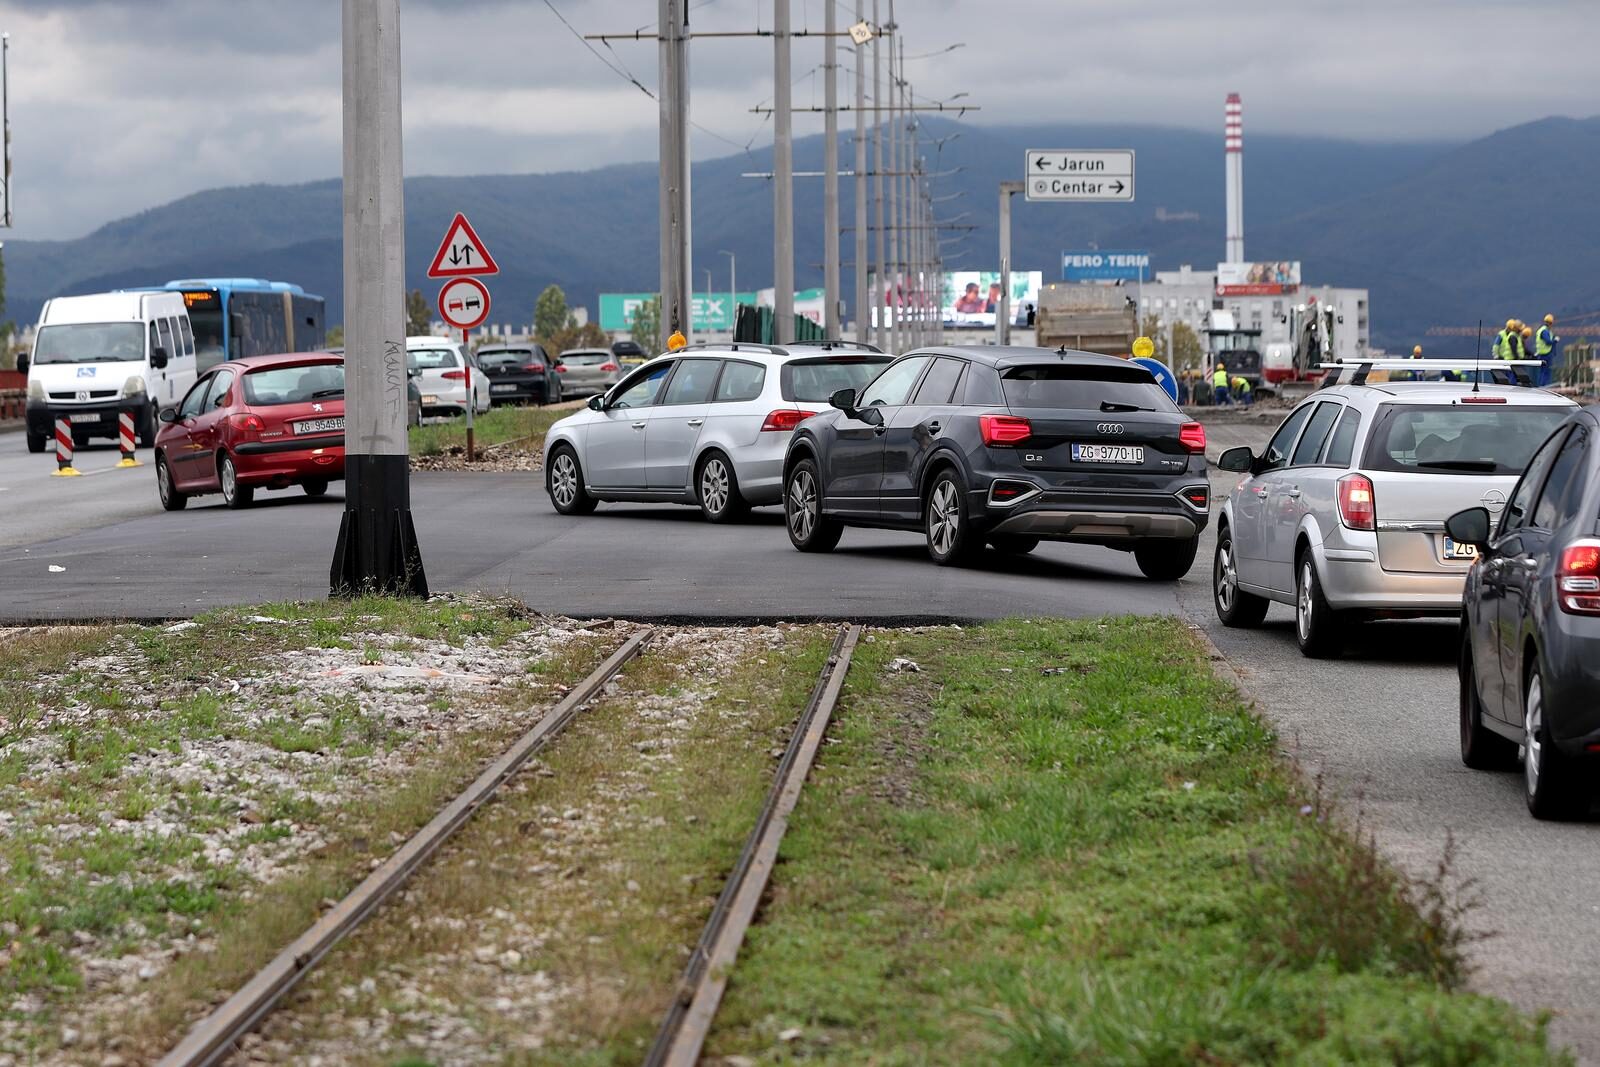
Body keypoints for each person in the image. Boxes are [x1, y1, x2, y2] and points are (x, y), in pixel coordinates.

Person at [1537, 314, 1560, 387]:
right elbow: (1548, 342)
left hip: (1543, 353)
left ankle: (1542, 385)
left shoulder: (1544, 330)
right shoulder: (1545, 331)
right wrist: (1555, 340)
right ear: (1550, 323)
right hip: (1545, 354)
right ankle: (1543, 386)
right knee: (1545, 372)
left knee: (1543, 371)